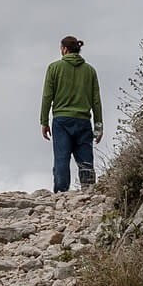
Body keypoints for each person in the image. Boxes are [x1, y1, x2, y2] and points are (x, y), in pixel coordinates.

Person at [39, 35, 103, 192]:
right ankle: (89, 191)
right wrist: (98, 127)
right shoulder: (90, 71)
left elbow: (47, 96)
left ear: (64, 49)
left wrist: (44, 121)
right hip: (83, 121)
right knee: (86, 160)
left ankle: (61, 193)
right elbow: (96, 100)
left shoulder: (54, 68)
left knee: (62, 158)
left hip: (61, 121)